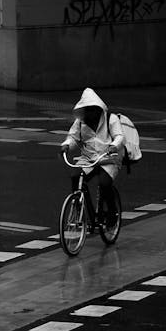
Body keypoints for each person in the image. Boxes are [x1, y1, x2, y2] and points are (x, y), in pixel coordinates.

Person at [60, 87, 125, 227]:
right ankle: (79, 208)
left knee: (104, 183)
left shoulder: (111, 119)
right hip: (89, 158)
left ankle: (112, 213)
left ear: (99, 108)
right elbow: (73, 138)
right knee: (75, 176)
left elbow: (119, 136)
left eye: (93, 109)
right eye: (87, 109)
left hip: (108, 158)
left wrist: (114, 145)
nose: (90, 113)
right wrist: (66, 145)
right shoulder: (80, 122)